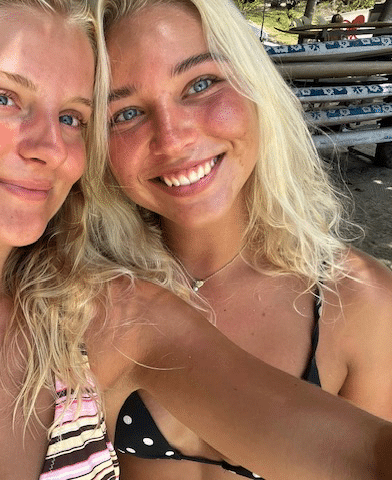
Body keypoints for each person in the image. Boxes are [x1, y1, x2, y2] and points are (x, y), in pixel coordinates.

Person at [0, 1, 392, 480]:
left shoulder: (110, 317)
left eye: (71, 117)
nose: (48, 146)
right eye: (1, 97)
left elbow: (354, 452)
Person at [97, 0, 392, 478]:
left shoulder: (361, 299)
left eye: (200, 84)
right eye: (125, 113)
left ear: (256, 85)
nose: (172, 139)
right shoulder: (84, 297)